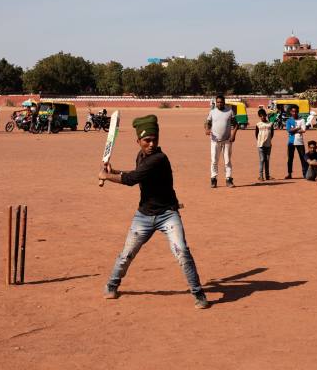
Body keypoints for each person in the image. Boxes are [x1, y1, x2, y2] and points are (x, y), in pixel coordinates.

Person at [98, 115, 209, 309]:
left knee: (182, 252)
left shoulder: (159, 158)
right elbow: (137, 175)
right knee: (126, 254)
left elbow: (132, 179)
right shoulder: (141, 156)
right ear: (138, 141)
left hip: (168, 214)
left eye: (154, 140)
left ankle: (198, 293)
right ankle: (112, 284)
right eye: (146, 140)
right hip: (144, 215)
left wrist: (106, 176)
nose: (151, 144)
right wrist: (113, 171)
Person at [205, 94, 238, 188]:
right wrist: (207, 129)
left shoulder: (229, 111)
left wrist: (233, 135)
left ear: (224, 102)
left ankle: (229, 180)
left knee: (227, 161)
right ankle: (213, 180)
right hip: (215, 141)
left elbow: (236, 124)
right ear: (216, 102)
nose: (219, 104)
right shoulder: (212, 112)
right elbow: (207, 122)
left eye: (221, 102)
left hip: (227, 140)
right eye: (218, 102)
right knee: (214, 161)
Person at [285, 106, 307, 179]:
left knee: (303, 158)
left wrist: (293, 130)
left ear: (298, 111)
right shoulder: (288, 120)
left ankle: (305, 173)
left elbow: (304, 130)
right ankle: (289, 173)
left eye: (296, 111)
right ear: (291, 112)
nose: (294, 113)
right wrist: (298, 128)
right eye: (293, 111)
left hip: (300, 142)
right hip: (291, 142)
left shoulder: (302, 120)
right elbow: (288, 130)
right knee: (290, 158)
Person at [255, 108, 274, 181]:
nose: (262, 117)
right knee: (262, 159)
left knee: (267, 160)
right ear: (259, 116)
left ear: (266, 115)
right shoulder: (258, 124)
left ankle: (267, 176)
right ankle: (261, 176)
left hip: (268, 145)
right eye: (261, 116)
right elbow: (256, 134)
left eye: (263, 115)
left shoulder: (270, 124)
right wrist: (260, 140)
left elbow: (272, 134)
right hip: (260, 145)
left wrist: (268, 140)